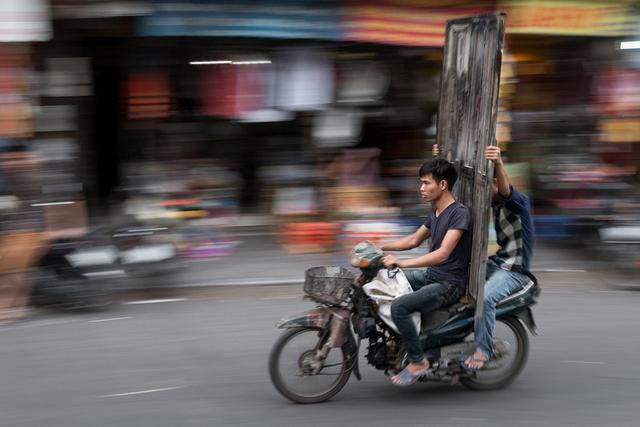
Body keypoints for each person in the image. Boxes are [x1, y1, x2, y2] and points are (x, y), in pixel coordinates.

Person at [433, 143, 534, 370]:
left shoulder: (519, 203)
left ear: (495, 183)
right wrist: (439, 159)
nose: (480, 191)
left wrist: (497, 162)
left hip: (514, 271)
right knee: (452, 270)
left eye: (485, 185)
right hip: (498, 263)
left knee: (486, 298)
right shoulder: (492, 205)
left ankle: (484, 350)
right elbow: (453, 190)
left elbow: (507, 191)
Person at [379, 158, 472, 386]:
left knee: (399, 307)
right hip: (432, 275)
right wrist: (379, 247)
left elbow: (442, 254)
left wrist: (401, 263)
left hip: (448, 284)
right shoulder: (436, 212)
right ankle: (399, 340)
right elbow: (413, 240)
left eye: (425, 183)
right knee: (385, 279)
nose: (421, 188)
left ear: (442, 185)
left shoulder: (459, 213)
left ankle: (419, 361)